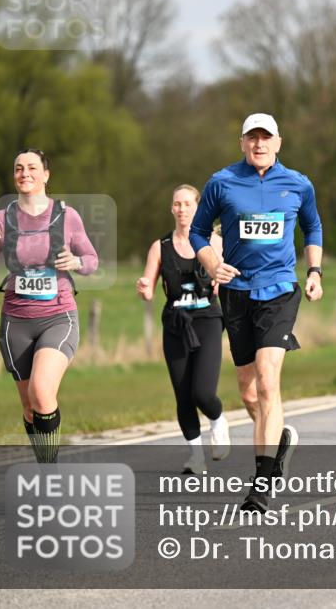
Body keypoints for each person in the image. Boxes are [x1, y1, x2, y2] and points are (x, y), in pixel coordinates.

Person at [190, 113, 324, 513]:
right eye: (253, 138)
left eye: (266, 138)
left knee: (268, 381)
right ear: (242, 143)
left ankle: (261, 484)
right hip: (236, 291)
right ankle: (277, 438)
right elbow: (198, 231)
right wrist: (213, 264)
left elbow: (312, 227)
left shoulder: (298, 183)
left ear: (278, 143)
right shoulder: (221, 182)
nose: (259, 144)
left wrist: (314, 271)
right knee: (248, 390)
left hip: (280, 289)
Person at [0, 149, 98, 463]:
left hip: (58, 316)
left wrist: (76, 261)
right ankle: (45, 463)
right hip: (15, 321)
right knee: (30, 406)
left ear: (45, 175)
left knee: (42, 392)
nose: (24, 173)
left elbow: (92, 260)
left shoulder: (67, 216)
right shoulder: (2, 218)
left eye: (31, 168)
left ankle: (50, 471)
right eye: (18, 168)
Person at [137, 185, 230, 474]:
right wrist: (143, 288)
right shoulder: (160, 246)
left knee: (202, 392)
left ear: (197, 207)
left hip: (208, 320)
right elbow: (149, 288)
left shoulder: (214, 243)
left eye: (187, 204)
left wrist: (221, 277)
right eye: (177, 204)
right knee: (183, 395)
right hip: (176, 324)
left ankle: (218, 420)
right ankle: (195, 457)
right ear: (171, 208)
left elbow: (227, 274)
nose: (182, 209)